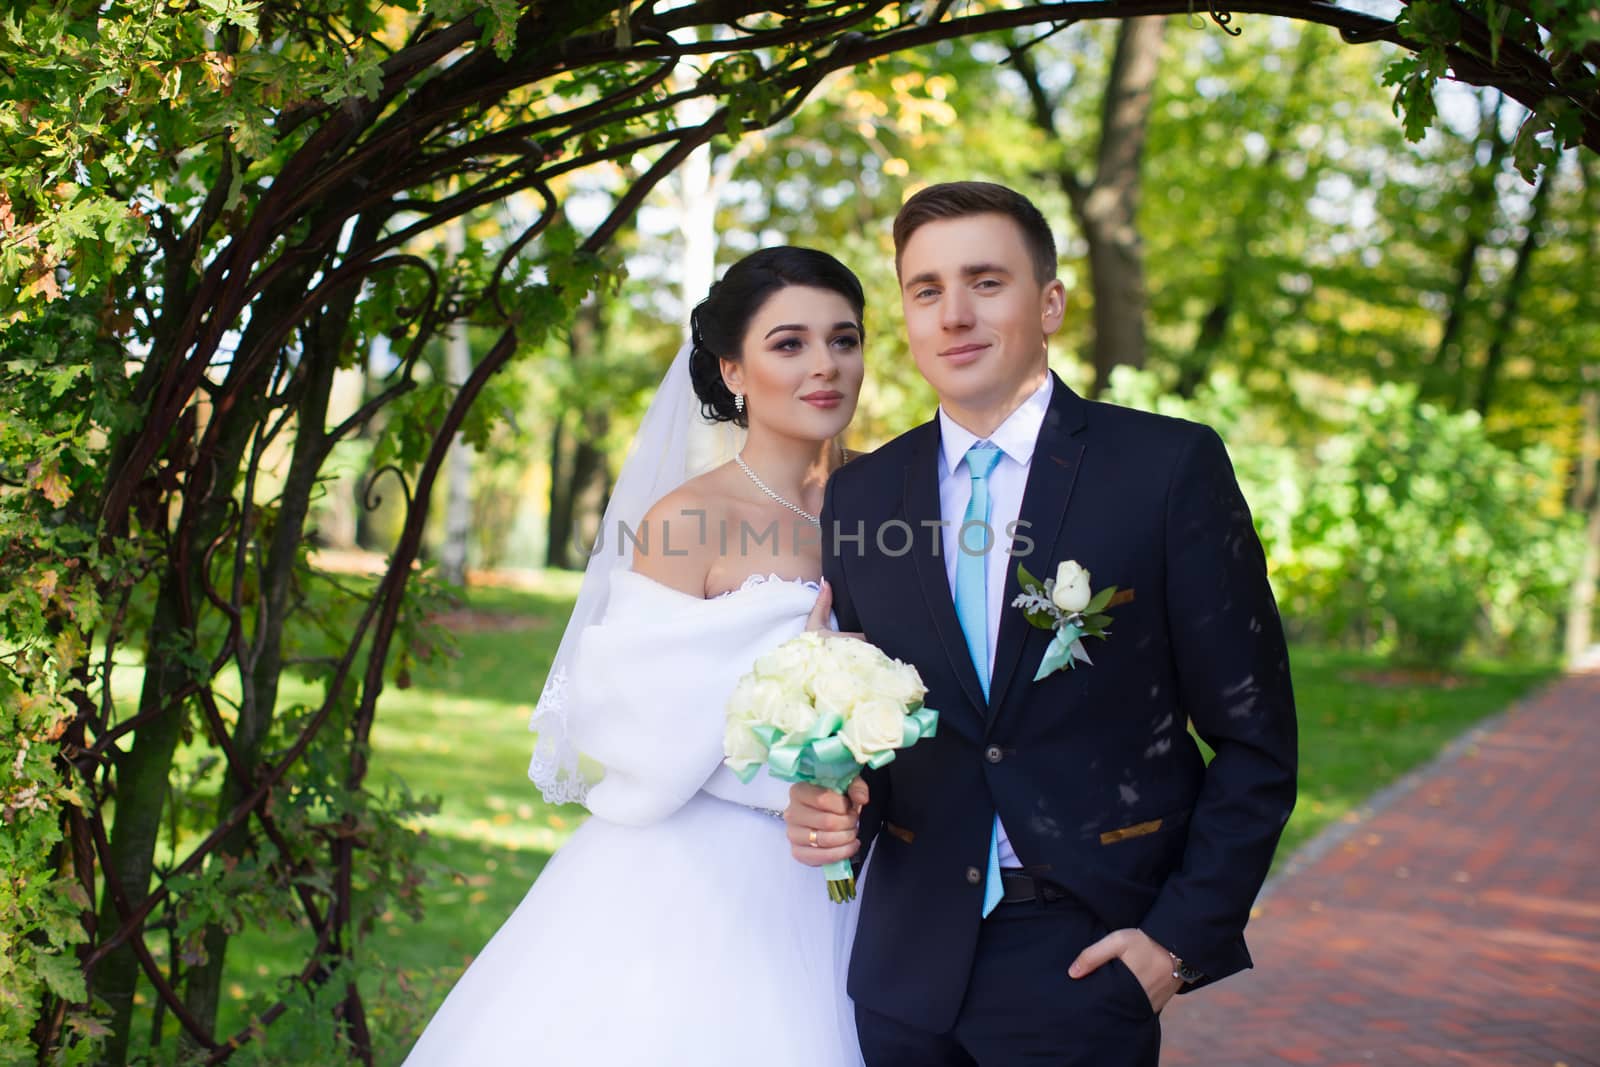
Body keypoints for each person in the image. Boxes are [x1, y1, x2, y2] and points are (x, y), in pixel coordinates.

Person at [785, 182, 1299, 1066]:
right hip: (904, 968)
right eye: (926, 289)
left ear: (1049, 301)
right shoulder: (862, 494)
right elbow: (874, 720)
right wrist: (828, 803)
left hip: (1085, 959)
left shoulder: (1166, 468)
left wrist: (1174, 944)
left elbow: (1255, 742)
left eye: (986, 281)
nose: (955, 315)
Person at [403, 246, 869, 1066]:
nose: (825, 365)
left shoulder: (898, 497)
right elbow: (636, 723)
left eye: (845, 338)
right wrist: (795, 760)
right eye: (789, 343)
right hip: (712, 876)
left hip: (882, 871)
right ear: (733, 369)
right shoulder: (686, 520)